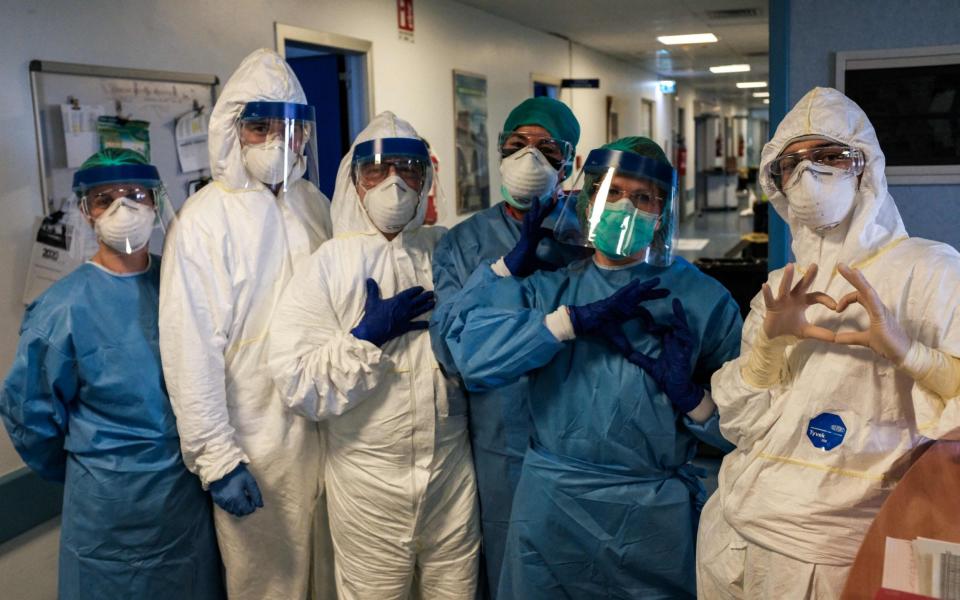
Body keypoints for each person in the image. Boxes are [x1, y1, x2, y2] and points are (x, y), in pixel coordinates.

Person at [433, 137, 742, 599]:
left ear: (663, 213)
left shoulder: (702, 300)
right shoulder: (548, 291)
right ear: (586, 200)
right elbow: (470, 357)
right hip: (552, 508)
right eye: (611, 193)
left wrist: (693, 401)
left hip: (652, 519)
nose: (625, 206)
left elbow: (749, 427)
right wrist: (566, 323)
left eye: (643, 198)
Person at [697, 87, 960, 599]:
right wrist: (769, 347)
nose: (808, 175)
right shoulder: (784, 286)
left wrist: (910, 354)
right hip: (736, 531)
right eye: (790, 164)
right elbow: (737, 422)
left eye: (829, 156)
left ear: (867, 168)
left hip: (843, 552)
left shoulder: (933, 271)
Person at [267, 111, 480, 600]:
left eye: (408, 169)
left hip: (450, 471)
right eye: (377, 171)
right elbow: (296, 382)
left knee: (458, 589)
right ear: (354, 181)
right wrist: (364, 339)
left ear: (426, 177)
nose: (394, 184)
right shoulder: (329, 265)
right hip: (368, 479)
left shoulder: (444, 251)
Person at [0, 149, 224, 600]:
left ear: (157, 202)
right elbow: (29, 415)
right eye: (106, 199)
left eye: (136, 195)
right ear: (86, 212)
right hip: (105, 512)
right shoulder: (62, 308)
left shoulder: (183, 283)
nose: (124, 209)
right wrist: (95, 468)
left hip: (183, 503)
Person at [159, 48, 334, 600]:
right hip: (255, 445)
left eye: (289, 126)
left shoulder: (316, 206)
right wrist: (217, 458)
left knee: (329, 578)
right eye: (260, 126)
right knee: (268, 585)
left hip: (328, 430)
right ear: (233, 131)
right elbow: (191, 352)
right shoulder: (203, 223)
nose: (279, 141)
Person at [430, 96, 589, 598]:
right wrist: (504, 272)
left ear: (573, 161)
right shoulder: (464, 241)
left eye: (547, 148)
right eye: (517, 145)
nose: (530, 158)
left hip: (583, 432)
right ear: (498, 154)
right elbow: (451, 347)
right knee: (508, 560)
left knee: (579, 560)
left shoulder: (592, 234)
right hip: (501, 435)